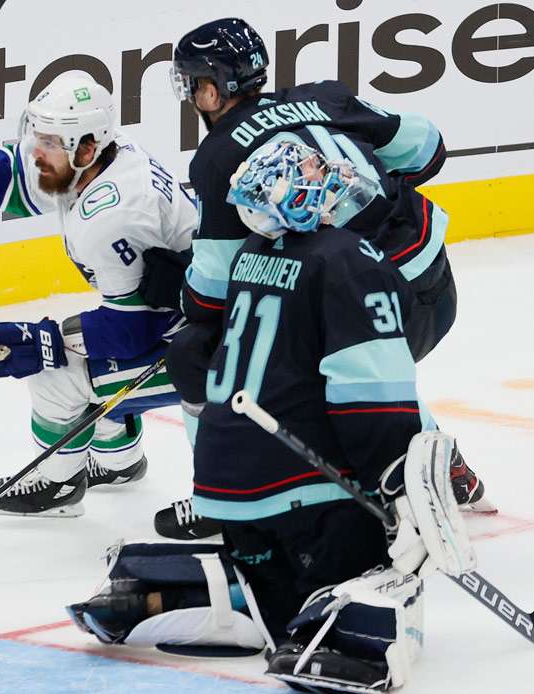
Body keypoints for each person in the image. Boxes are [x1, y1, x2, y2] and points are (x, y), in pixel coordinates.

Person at [66, 141, 477, 693]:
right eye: (309, 169)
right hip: (306, 500)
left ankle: (154, 591)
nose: (324, 172)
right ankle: (334, 643)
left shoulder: (251, 257)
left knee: (277, 589)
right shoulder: (350, 260)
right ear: (293, 192)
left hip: (228, 496)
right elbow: (371, 400)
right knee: (389, 571)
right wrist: (398, 492)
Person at [152, 16, 491, 540]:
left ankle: (222, 493)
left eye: (194, 84)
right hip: (435, 282)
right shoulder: (326, 98)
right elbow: (429, 149)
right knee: (335, 328)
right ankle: (434, 461)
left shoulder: (218, 157)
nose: (193, 97)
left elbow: (212, 298)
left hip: (372, 301)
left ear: (213, 87)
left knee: (205, 351)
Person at [0, 74, 196, 517]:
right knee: (82, 350)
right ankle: (119, 462)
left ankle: (59, 484)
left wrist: (45, 340)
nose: (34, 151)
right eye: (38, 135)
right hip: (183, 316)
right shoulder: (100, 154)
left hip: (212, 345)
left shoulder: (114, 213)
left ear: (85, 148)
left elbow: (130, 332)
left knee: (58, 374)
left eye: (47, 142)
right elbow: (12, 186)